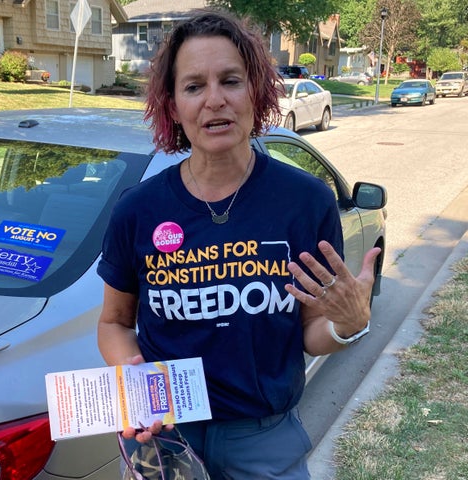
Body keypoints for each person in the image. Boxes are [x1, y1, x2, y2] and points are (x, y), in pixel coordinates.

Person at [96, 9, 380, 480]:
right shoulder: (138, 210)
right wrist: (138, 385)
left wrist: (347, 325)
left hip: (264, 440)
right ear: (173, 106)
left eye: (231, 80)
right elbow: (113, 323)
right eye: (193, 86)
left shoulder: (305, 201)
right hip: (167, 437)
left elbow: (311, 329)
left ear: (257, 92)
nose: (215, 101)